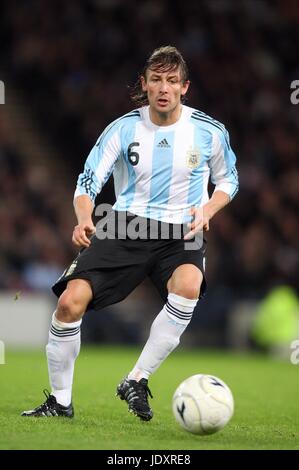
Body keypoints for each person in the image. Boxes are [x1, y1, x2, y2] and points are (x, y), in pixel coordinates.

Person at [21, 46, 238, 421]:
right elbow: (87, 182)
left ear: (185, 87)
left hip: (181, 229)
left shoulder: (209, 131)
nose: (164, 88)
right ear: (145, 84)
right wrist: (84, 217)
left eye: (172, 80)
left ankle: (137, 378)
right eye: (156, 80)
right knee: (70, 303)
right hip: (125, 224)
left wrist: (207, 210)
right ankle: (60, 401)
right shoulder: (123, 129)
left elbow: (229, 180)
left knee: (188, 285)